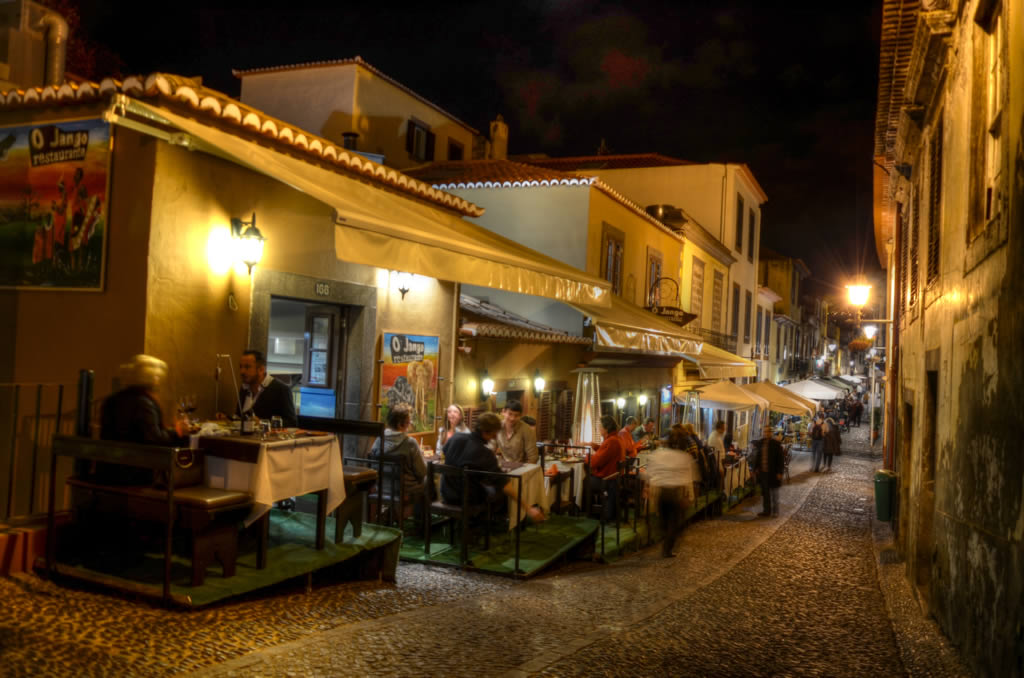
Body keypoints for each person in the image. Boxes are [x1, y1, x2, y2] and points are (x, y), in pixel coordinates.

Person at [98, 354, 187, 484]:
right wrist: (178, 432)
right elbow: (155, 439)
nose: (159, 380)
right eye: (157, 376)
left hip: (108, 468)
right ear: (152, 378)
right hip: (132, 473)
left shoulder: (113, 399)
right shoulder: (144, 403)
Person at [441, 412, 544, 522]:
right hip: (466, 499)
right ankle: (486, 523)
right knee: (498, 492)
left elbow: (445, 454)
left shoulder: (455, 437)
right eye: (494, 433)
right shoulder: (484, 453)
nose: (495, 436)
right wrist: (528, 508)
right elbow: (505, 485)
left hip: (447, 493)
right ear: (485, 432)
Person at [641, 427, 696, 557]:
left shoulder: (658, 455)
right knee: (674, 523)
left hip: (662, 493)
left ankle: (666, 543)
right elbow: (688, 477)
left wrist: (646, 488)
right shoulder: (683, 457)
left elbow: (648, 474)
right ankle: (667, 547)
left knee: (665, 521)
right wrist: (688, 496)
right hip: (674, 493)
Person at [370, 405, 426, 504]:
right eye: (408, 422)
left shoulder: (379, 439)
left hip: (380, 487)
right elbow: (422, 472)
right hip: (404, 490)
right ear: (400, 424)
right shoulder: (410, 443)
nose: (409, 425)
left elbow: (372, 464)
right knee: (430, 482)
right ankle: (418, 517)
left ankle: (393, 515)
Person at [238, 350, 297, 427]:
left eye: (247, 367)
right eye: (240, 367)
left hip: (268, 437)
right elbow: (238, 417)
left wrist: (262, 423)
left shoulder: (281, 389)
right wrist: (227, 418)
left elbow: (292, 422)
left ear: (261, 370)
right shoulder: (244, 388)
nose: (242, 371)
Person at [750, 424, 785, 517]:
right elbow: (757, 456)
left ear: (771, 433)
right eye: (764, 431)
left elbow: (780, 460)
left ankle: (775, 511)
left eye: (767, 431)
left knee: (774, 493)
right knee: (765, 493)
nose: (766, 433)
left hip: (773, 472)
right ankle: (766, 511)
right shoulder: (760, 443)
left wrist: (780, 472)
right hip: (763, 472)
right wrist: (755, 468)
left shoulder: (776, 444)